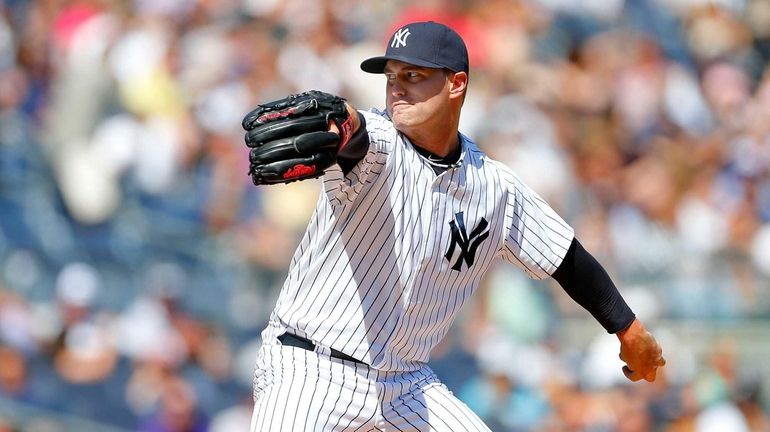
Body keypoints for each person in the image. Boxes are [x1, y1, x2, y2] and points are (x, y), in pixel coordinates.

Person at [248, 21, 665, 432]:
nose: (397, 87)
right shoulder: (380, 142)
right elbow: (355, 134)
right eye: (391, 76)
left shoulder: (494, 186)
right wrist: (343, 125)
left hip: (404, 385)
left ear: (456, 84)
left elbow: (567, 259)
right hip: (310, 368)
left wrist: (628, 329)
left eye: (413, 75)